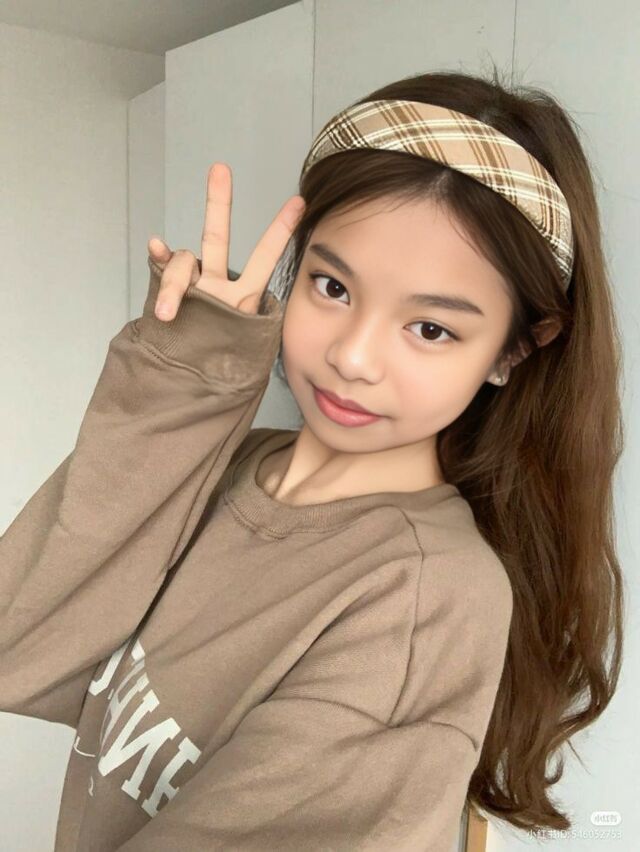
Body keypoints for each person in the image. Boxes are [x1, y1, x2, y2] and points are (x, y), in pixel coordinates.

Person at [0, 66, 624, 851]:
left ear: (512, 351)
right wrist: (184, 383)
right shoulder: (229, 463)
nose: (352, 357)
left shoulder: (426, 600)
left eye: (431, 328)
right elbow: (20, 644)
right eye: (332, 287)